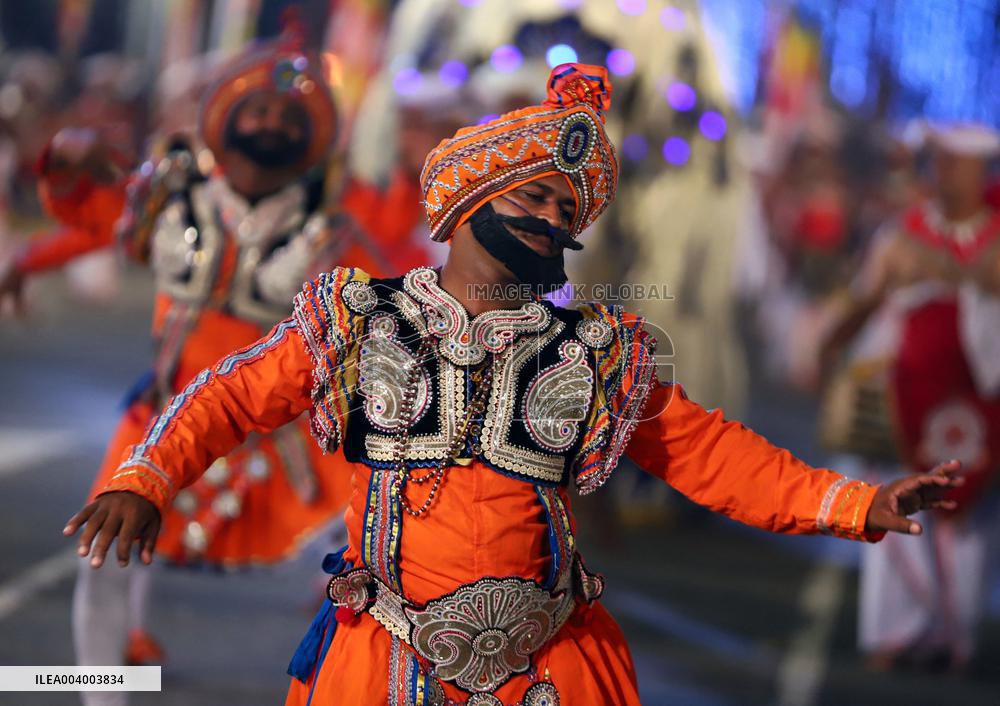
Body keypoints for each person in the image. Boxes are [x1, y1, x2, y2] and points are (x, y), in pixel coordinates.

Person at [65, 64, 963, 705]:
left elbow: (712, 456)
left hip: (550, 668)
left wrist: (853, 504)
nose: (551, 221)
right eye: (531, 198)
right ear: (466, 205)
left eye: (567, 212)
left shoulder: (597, 353)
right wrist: (145, 476)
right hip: (381, 662)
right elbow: (227, 395)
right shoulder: (354, 319)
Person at [4, 32, 389, 704]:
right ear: (227, 117)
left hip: (280, 426)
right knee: (105, 550)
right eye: (259, 109)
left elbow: (391, 315)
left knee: (381, 547)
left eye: (288, 116)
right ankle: (103, 691)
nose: (271, 121)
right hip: (163, 412)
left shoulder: (334, 232)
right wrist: (62, 172)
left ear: (311, 137)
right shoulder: (168, 198)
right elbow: (90, 218)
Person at [820, 123, 1000, 672]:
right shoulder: (903, 232)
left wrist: (952, 273)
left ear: (981, 171)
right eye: (939, 162)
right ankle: (894, 634)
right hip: (905, 395)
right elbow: (865, 295)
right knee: (896, 499)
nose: (943, 174)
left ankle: (954, 636)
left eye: (955, 164)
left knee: (968, 518)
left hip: (977, 402)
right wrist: (830, 346)